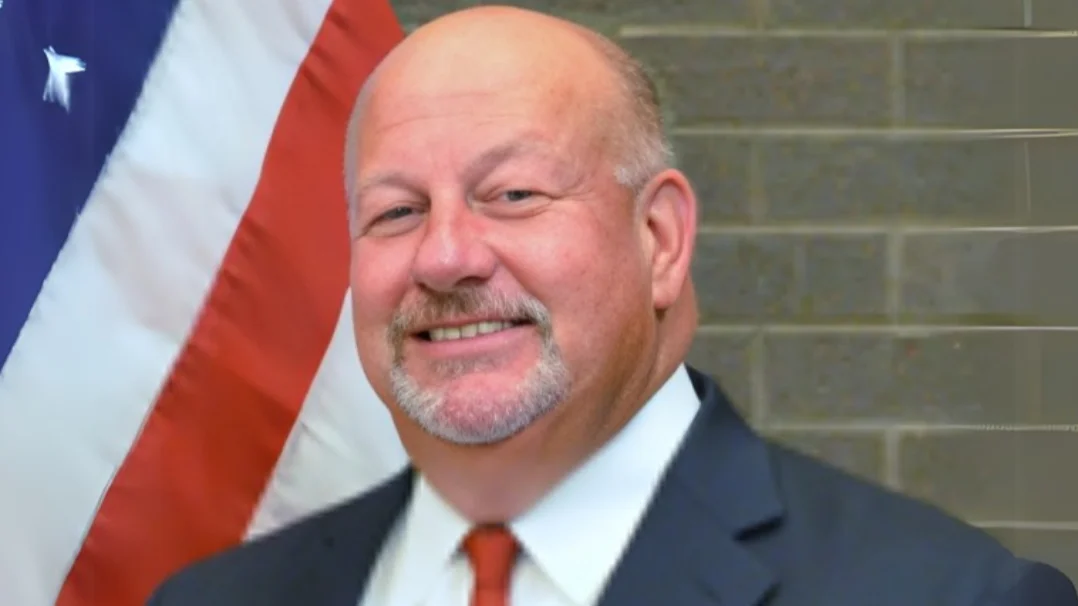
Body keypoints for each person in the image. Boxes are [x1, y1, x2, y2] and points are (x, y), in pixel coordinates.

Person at [148, 6, 1078, 606]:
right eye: (396, 211)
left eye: (513, 194)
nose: (445, 255)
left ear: (660, 239)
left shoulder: (950, 598)